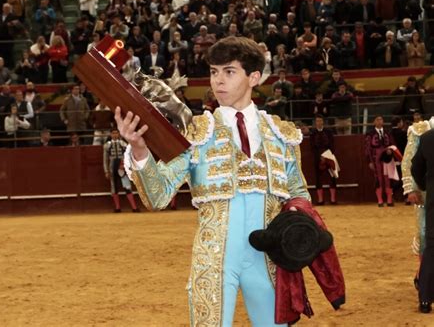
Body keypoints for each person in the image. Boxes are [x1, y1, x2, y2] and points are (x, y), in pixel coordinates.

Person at [115, 36, 345, 326]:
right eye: (213, 72)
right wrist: (139, 149)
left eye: (229, 71)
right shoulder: (197, 132)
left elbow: (298, 192)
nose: (218, 81)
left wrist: (297, 213)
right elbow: (158, 195)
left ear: (254, 77)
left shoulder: (281, 134)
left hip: (268, 259)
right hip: (213, 260)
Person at [402, 116, 434, 313]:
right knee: (425, 237)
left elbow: (415, 164)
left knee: (430, 241)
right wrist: (413, 189)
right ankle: (422, 278)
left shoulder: (428, 136)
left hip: (430, 193)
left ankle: (425, 289)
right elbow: (407, 161)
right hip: (425, 196)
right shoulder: (418, 130)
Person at [103, 128, 140, 213]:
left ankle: (134, 207)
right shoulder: (107, 146)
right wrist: (106, 171)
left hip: (122, 167)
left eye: (116, 133)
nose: (115, 135)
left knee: (127, 186)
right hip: (112, 168)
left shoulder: (124, 144)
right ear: (111, 134)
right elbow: (105, 159)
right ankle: (117, 208)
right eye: (113, 133)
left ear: (119, 134)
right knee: (114, 187)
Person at [365, 116, 394, 207]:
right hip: (375, 158)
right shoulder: (370, 134)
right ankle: (380, 200)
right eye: (377, 120)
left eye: (381, 119)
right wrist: (369, 161)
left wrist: (391, 151)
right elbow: (367, 148)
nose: (379, 121)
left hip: (386, 157)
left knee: (387, 178)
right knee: (378, 178)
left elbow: (392, 145)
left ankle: (389, 200)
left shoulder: (388, 133)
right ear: (374, 122)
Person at [310, 114, 337, 205]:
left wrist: (326, 156)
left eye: (320, 121)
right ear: (315, 122)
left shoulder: (328, 132)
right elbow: (312, 147)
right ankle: (320, 200)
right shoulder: (312, 133)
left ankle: (333, 200)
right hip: (317, 157)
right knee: (318, 178)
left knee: (332, 177)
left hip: (329, 156)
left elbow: (332, 145)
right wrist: (320, 157)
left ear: (323, 122)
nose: (319, 123)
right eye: (317, 121)